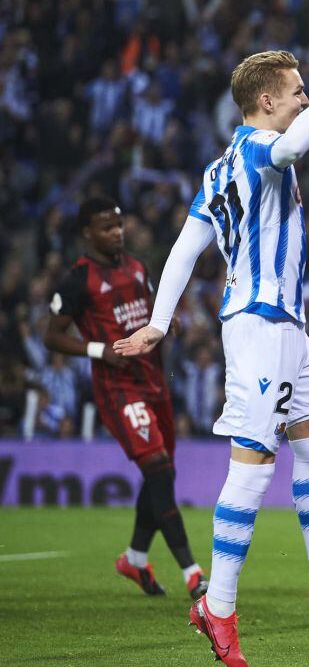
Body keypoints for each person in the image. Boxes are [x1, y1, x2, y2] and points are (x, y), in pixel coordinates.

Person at [114, 32, 309, 667]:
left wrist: (160, 320)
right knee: (253, 465)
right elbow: (295, 142)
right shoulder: (262, 148)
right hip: (257, 324)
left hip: (284, 325)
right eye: (297, 92)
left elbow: (185, 248)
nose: (304, 99)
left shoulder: (219, 168)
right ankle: (218, 607)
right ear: (266, 101)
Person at [45, 197, 207, 600]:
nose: (116, 232)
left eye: (118, 225)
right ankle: (193, 572)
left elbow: (153, 313)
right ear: (88, 232)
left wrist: (167, 326)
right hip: (119, 389)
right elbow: (52, 335)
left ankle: (134, 558)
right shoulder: (78, 280)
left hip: (154, 382)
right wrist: (100, 351)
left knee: (161, 473)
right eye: (106, 227)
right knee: (157, 467)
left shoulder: (137, 267)